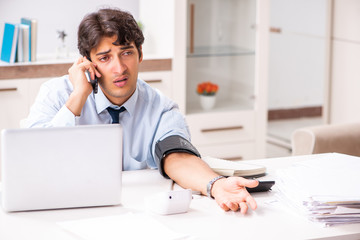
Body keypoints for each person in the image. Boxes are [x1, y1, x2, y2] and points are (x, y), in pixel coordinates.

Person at [26, 8, 259, 213]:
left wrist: (216, 185)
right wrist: (78, 96)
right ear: (87, 63)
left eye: (127, 53)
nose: (119, 68)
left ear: (140, 54)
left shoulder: (161, 108)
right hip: (65, 206)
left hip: (134, 211)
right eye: (105, 58)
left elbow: (177, 157)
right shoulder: (57, 94)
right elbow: (34, 159)